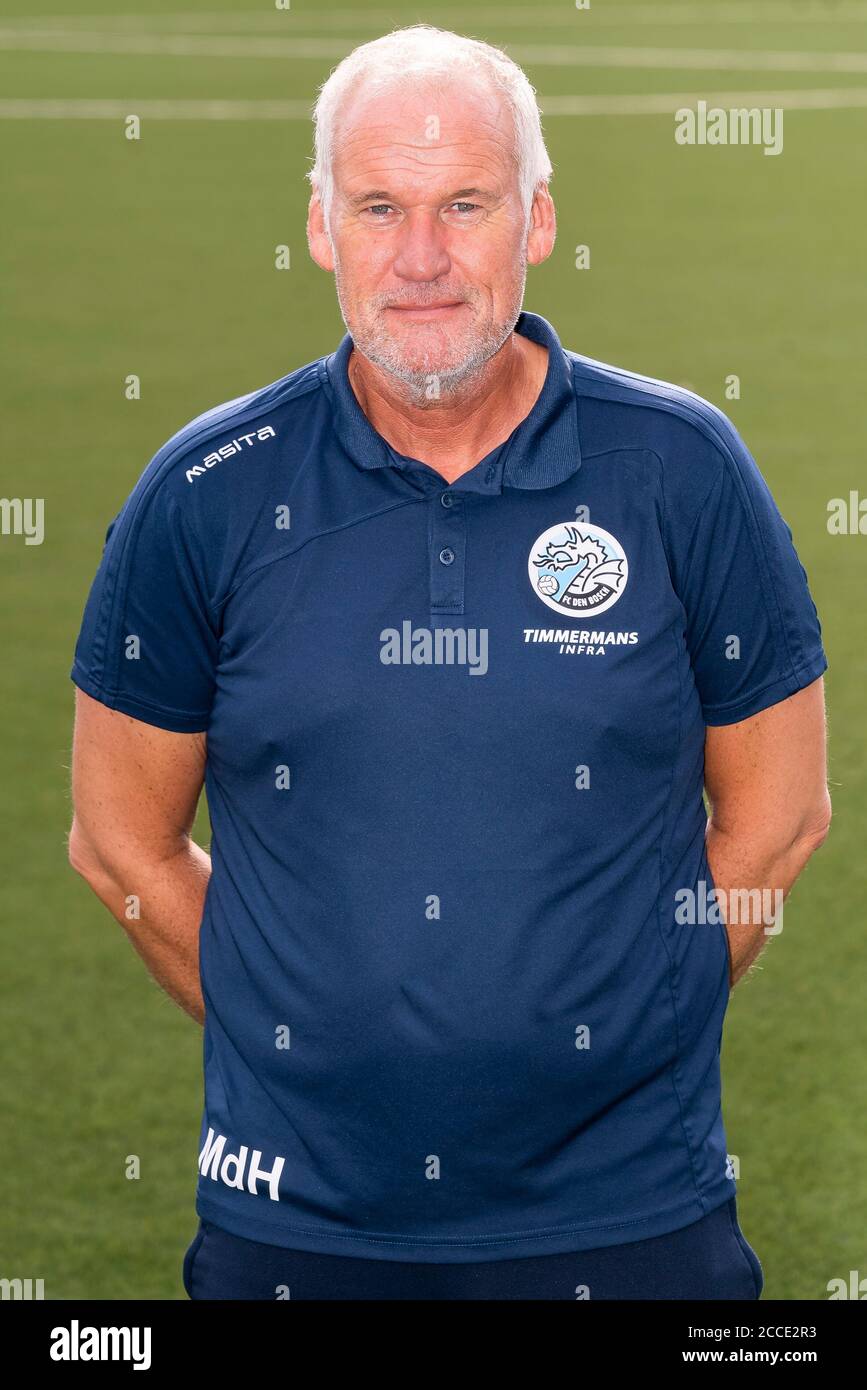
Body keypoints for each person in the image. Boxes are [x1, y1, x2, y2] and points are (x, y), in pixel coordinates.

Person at [68, 25, 830, 1300]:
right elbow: (117, 841)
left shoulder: (682, 472)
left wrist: (633, 1022)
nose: (420, 259)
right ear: (322, 226)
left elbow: (780, 818)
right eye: (380, 207)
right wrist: (302, 1043)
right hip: (299, 1219)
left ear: (536, 220)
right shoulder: (205, 492)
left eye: (464, 204)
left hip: (632, 1209)